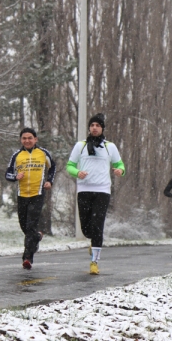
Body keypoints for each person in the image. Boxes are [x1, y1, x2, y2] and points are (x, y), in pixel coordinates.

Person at [66, 113, 125, 275]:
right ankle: (93, 243)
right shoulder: (81, 146)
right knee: (86, 228)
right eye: (92, 125)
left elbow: (120, 164)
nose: (94, 127)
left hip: (102, 190)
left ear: (102, 128)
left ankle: (94, 262)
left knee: (98, 226)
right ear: (89, 128)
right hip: (84, 190)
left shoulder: (109, 146)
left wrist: (120, 170)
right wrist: (78, 173)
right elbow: (69, 165)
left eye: (97, 125)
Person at [4, 128, 56, 269]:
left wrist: (49, 181)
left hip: (37, 194)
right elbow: (7, 174)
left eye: (30, 138)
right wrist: (15, 177)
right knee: (24, 227)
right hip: (22, 195)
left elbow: (52, 168)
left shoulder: (43, 153)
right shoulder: (17, 155)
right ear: (21, 140)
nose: (27, 141)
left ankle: (27, 258)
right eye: (24, 138)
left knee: (30, 225)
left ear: (35, 139)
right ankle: (37, 237)